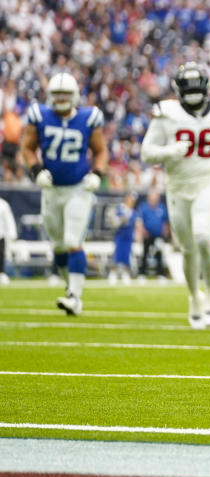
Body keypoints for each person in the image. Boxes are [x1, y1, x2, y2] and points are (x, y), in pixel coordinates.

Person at [141, 62, 210, 328]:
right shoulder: (166, 114)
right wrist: (169, 151)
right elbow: (146, 152)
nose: (193, 95)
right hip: (177, 186)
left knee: (202, 235)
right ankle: (194, 297)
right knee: (187, 249)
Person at [21, 72, 107, 316]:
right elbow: (27, 148)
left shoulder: (89, 117)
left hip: (77, 188)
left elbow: (100, 151)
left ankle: (75, 297)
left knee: (72, 241)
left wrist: (97, 175)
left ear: (75, 96)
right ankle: (72, 288)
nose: (60, 99)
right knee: (58, 246)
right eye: (57, 94)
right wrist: (36, 169)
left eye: (65, 94)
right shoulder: (40, 115)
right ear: (49, 96)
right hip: (51, 189)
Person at [136, 188, 169, 281]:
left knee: (159, 254)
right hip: (147, 234)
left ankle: (161, 274)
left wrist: (165, 233)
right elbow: (139, 221)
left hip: (158, 235)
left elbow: (165, 222)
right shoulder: (144, 207)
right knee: (145, 254)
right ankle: (142, 273)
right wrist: (142, 232)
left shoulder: (161, 207)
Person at [107, 192, 138, 285]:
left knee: (127, 256)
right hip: (120, 235)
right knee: (117, 255)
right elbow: (113, 222)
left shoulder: (134, 212)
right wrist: (120, 220)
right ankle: (113, 274)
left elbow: (135, 224)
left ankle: (125, 274)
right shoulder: (120, 209)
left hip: (128, 237)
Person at [0, 195, 17, 285]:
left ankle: (1, 274)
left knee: (1, 255)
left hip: (0, 235)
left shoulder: (3, 204)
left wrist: (12, 234)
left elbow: (9, 220)